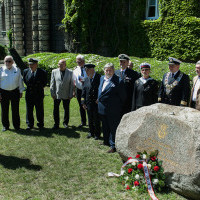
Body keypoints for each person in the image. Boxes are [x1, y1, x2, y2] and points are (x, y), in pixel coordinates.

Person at [98, 63, 126, 153]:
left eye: (110, 70)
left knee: (113, 128)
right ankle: (106, 141)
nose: (108, 72)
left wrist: (117, 107)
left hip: (113, 109)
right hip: (102, 107)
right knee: (105, 126)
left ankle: (113, 146)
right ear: (104, 71)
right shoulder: (102, 78)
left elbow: (123, 97)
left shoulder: (119, 81)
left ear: (114, 71)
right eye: (106, 70)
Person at [0, 56, 24, 131]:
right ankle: (5, 126)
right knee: (4, 110)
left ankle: (17, 126)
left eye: (9, 61)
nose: (7, 63)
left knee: (15, 110)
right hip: (4, 92)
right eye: (6, 61)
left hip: (15, 92)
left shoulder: (17, 70)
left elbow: (20, 81)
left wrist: (21, 91)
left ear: (13, 62)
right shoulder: (1, 70)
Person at [23, 58, 47, 130]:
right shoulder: (26, 71)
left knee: (39, 109)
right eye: (29, 64)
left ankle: (40, 124)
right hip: (29, 93)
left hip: (38, 93)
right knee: (29, 110)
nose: (30, 66)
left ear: (36, 64)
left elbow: (44, 82)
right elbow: (25, 81)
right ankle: (30, 124)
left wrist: (37, 88)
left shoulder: (42, 72)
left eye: (32, 64)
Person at [50, 59, 74, 129]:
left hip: (66, 94)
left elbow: (71, 84)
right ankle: (56, 123)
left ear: (65, 65)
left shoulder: (70, 72)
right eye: (59, 64)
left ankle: (65, 123)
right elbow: (52, 83)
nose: (60, 65)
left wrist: (70, 94)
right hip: (57, 94)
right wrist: (52, 93)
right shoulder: (54, 71)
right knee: (56, 109)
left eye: (62, 64)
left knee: (66, 109)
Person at [81, 64, 101, 139]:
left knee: (96, 119)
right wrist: (83, 102)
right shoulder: (86, 79)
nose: (86, 72)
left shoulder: (99, 78)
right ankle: (91, 132)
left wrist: (99, 98)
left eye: (87, 70)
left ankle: (97, 134)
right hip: (88, 103)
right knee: (90, 119)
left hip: (96, 103)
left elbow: (102, 90)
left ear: (92, 70)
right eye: (85, 70)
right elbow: (83, 92)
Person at [73, 55, 87, 127]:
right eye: (77, 61)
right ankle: (83, 122)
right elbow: (74, 81)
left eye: (79, 61)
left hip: (87, 91)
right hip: (79, 91)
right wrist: (74, 91)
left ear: (83, 61)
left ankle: (92, 121)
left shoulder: (88, 68)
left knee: (89, 106)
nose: (78, 63)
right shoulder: (75, 70)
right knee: (81, 105)